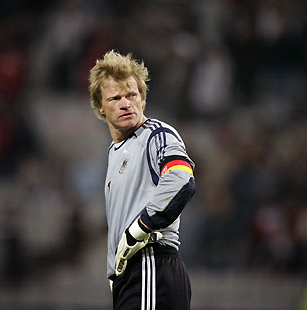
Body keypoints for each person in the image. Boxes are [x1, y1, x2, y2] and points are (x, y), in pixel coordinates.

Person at [88, 50, 196, 310]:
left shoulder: (156, 135)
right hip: (134, 276)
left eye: (132, 95)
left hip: (151, 264)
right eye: (116, 98)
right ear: (101, 106)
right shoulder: (115, 152)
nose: (126, 104)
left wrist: (137, 231)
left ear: (143, 99)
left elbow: (182, 179)